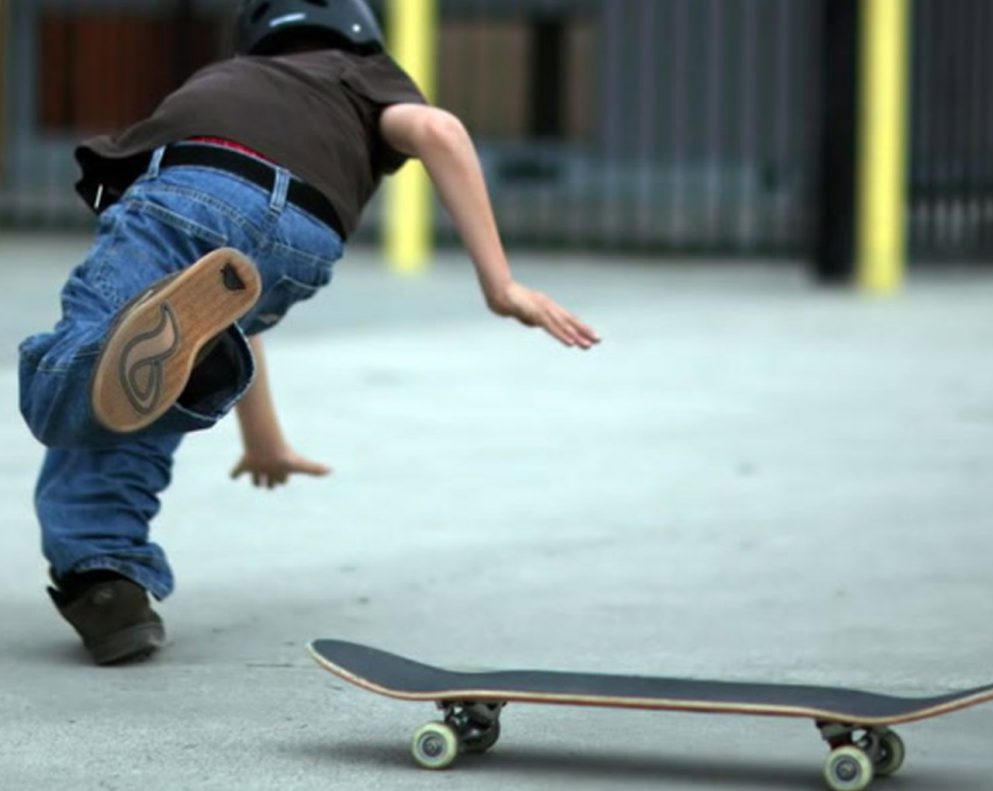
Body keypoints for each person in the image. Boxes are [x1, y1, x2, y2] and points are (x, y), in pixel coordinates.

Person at [18, 0, 600, 666]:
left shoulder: (236, 77)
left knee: (70, 382)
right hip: (301, 236)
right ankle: (111, 585)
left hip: (188, 190)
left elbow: (441, 128)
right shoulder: (363, 77)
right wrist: (265, 438)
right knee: (158, 371)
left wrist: (501, 286)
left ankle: (96, 532)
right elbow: (435, 129)